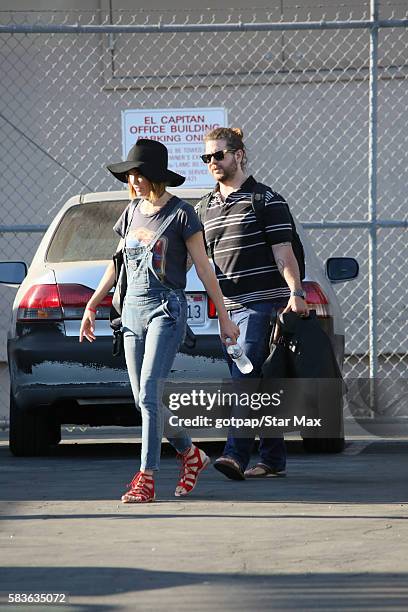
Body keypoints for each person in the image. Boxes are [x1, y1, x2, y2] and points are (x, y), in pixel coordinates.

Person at [79, 138, 239, 503]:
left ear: (155, 176)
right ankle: (190, 453)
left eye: (138, 175)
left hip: (166, 310)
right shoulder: (131, 212)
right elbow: (116, 264)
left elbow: (204, 268)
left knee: (150, 393)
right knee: (142, 400)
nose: (133, 182)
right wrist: (92, 303)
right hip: (131, 313)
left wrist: (225, 318)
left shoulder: (182, 214)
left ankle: (145, 478)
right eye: (130, 176)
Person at [197, 127, 308, 480]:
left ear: (239, 155)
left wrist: (296, 291)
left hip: (262, 306)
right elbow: (197, 261)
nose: (213, 162)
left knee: (244, 381)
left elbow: (283, 253)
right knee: (257, 382)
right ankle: (273, 458)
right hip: (229, 312)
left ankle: (235, 455)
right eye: (207, 157)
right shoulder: (204, 208)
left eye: (219, 155)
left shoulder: (266, 200)